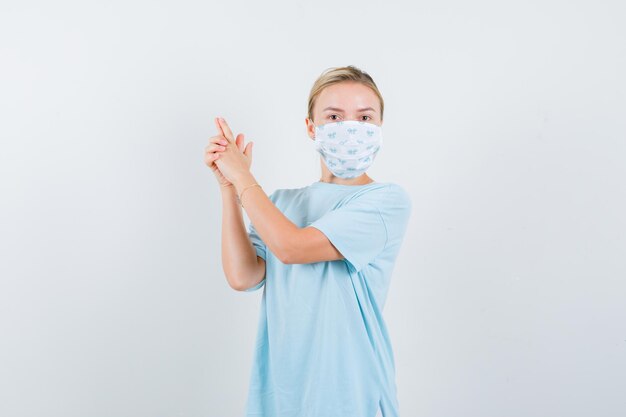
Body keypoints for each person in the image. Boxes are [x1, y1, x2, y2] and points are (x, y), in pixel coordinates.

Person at [204, 65, 412, 417]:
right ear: (311, 127)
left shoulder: (385, 201)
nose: (350, 128)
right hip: (282, 393)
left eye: (364, 117)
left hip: (350, 395)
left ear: (379, 128)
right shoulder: (282, 203)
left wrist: (243, 177)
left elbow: (292, 248)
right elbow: (244, 276)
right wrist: (229, 187)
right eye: (334, 116)